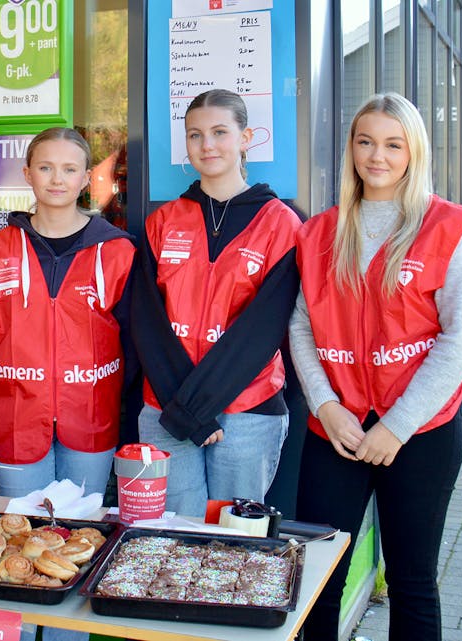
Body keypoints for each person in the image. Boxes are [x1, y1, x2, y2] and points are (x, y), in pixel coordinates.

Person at [290, 92, 462, 640]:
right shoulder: (321, 232)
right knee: (318, 582)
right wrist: (327, 408)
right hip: (336, 431)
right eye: (366, 141)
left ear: (413, 151)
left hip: (420, 433)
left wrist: (397, 425)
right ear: (352, 149)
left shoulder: (447, 228)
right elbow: (301, 325)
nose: (377, 156)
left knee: (412, 580)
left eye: (393, 144)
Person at [132, 88, 303, 517]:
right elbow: (147, 323)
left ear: (246, 138)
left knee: (233, 547)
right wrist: (186, 411)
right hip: (167, 411)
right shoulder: (164, 221)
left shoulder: (280, 222)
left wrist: (198, 407)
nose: (207, 145)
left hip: (247, 412)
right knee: (172, 538)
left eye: (220, 132)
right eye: (195, 135)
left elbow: (261, 331)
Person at [0, 127, 136, 498]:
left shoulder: (118, 251)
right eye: (46, 168)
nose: (57, 179)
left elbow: (130, 340)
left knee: (83, 536)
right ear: (28, 174)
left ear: (85, 177)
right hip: (19, 417)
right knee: (22, 533)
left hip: (91, 417)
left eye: (68, 169)